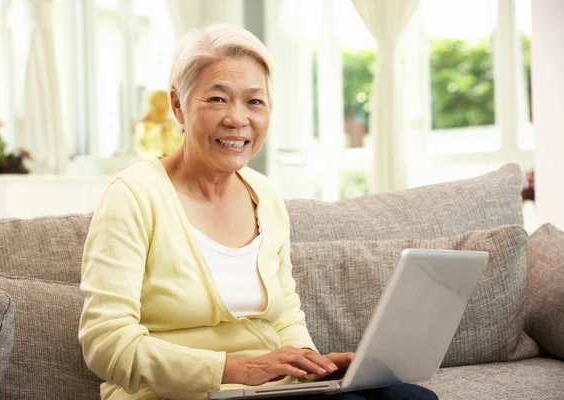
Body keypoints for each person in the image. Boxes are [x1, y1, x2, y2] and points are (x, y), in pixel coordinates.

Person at [78, 24, 439, 400]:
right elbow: (106, 343)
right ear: (178, 106)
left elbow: (285, 319)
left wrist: (312, 366)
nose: (237, 119)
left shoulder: (264, 195)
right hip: (173, 394)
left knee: (411, 397)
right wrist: (237, 369)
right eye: (217, 99)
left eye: (254, 102)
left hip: (266, 393)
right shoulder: (133, 196)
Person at [134, 90, 184, 157]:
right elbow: (143, 148)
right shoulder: (144, 124)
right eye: (166, 102)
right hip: (153, 163)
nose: (168, 106)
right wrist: (159, 131)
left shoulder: (170, 123)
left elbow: (178, 143)